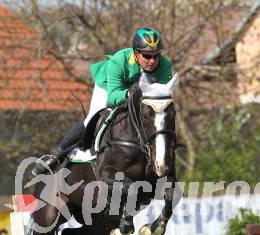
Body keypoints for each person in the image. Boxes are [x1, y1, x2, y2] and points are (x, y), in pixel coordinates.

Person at [33, 27, 172, 175]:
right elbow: (112, 97)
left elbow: (160, 99)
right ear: (136, 53)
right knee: (94, 115)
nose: (152, 61)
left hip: (139, 94)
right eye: (147, 56)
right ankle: (57, 156)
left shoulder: (165, 65)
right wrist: (129, 93)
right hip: (109, 86)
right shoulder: (119, 61)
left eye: (156, 56)